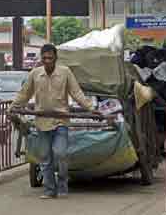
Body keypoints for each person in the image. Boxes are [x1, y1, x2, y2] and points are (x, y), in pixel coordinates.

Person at [10, 43, 100, 199]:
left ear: (56, 58)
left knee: (61, 153)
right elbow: (24, 93)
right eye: (44, 58)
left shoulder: (65, 72)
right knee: (45, 158)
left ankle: (63, 184)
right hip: (42, 122)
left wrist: (91, 108)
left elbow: (77, 93)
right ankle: (49, 190)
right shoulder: (35, 74)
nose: (47, 61)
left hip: (60, 121)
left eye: (50, 58)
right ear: (41, 58)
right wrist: (13, 107)